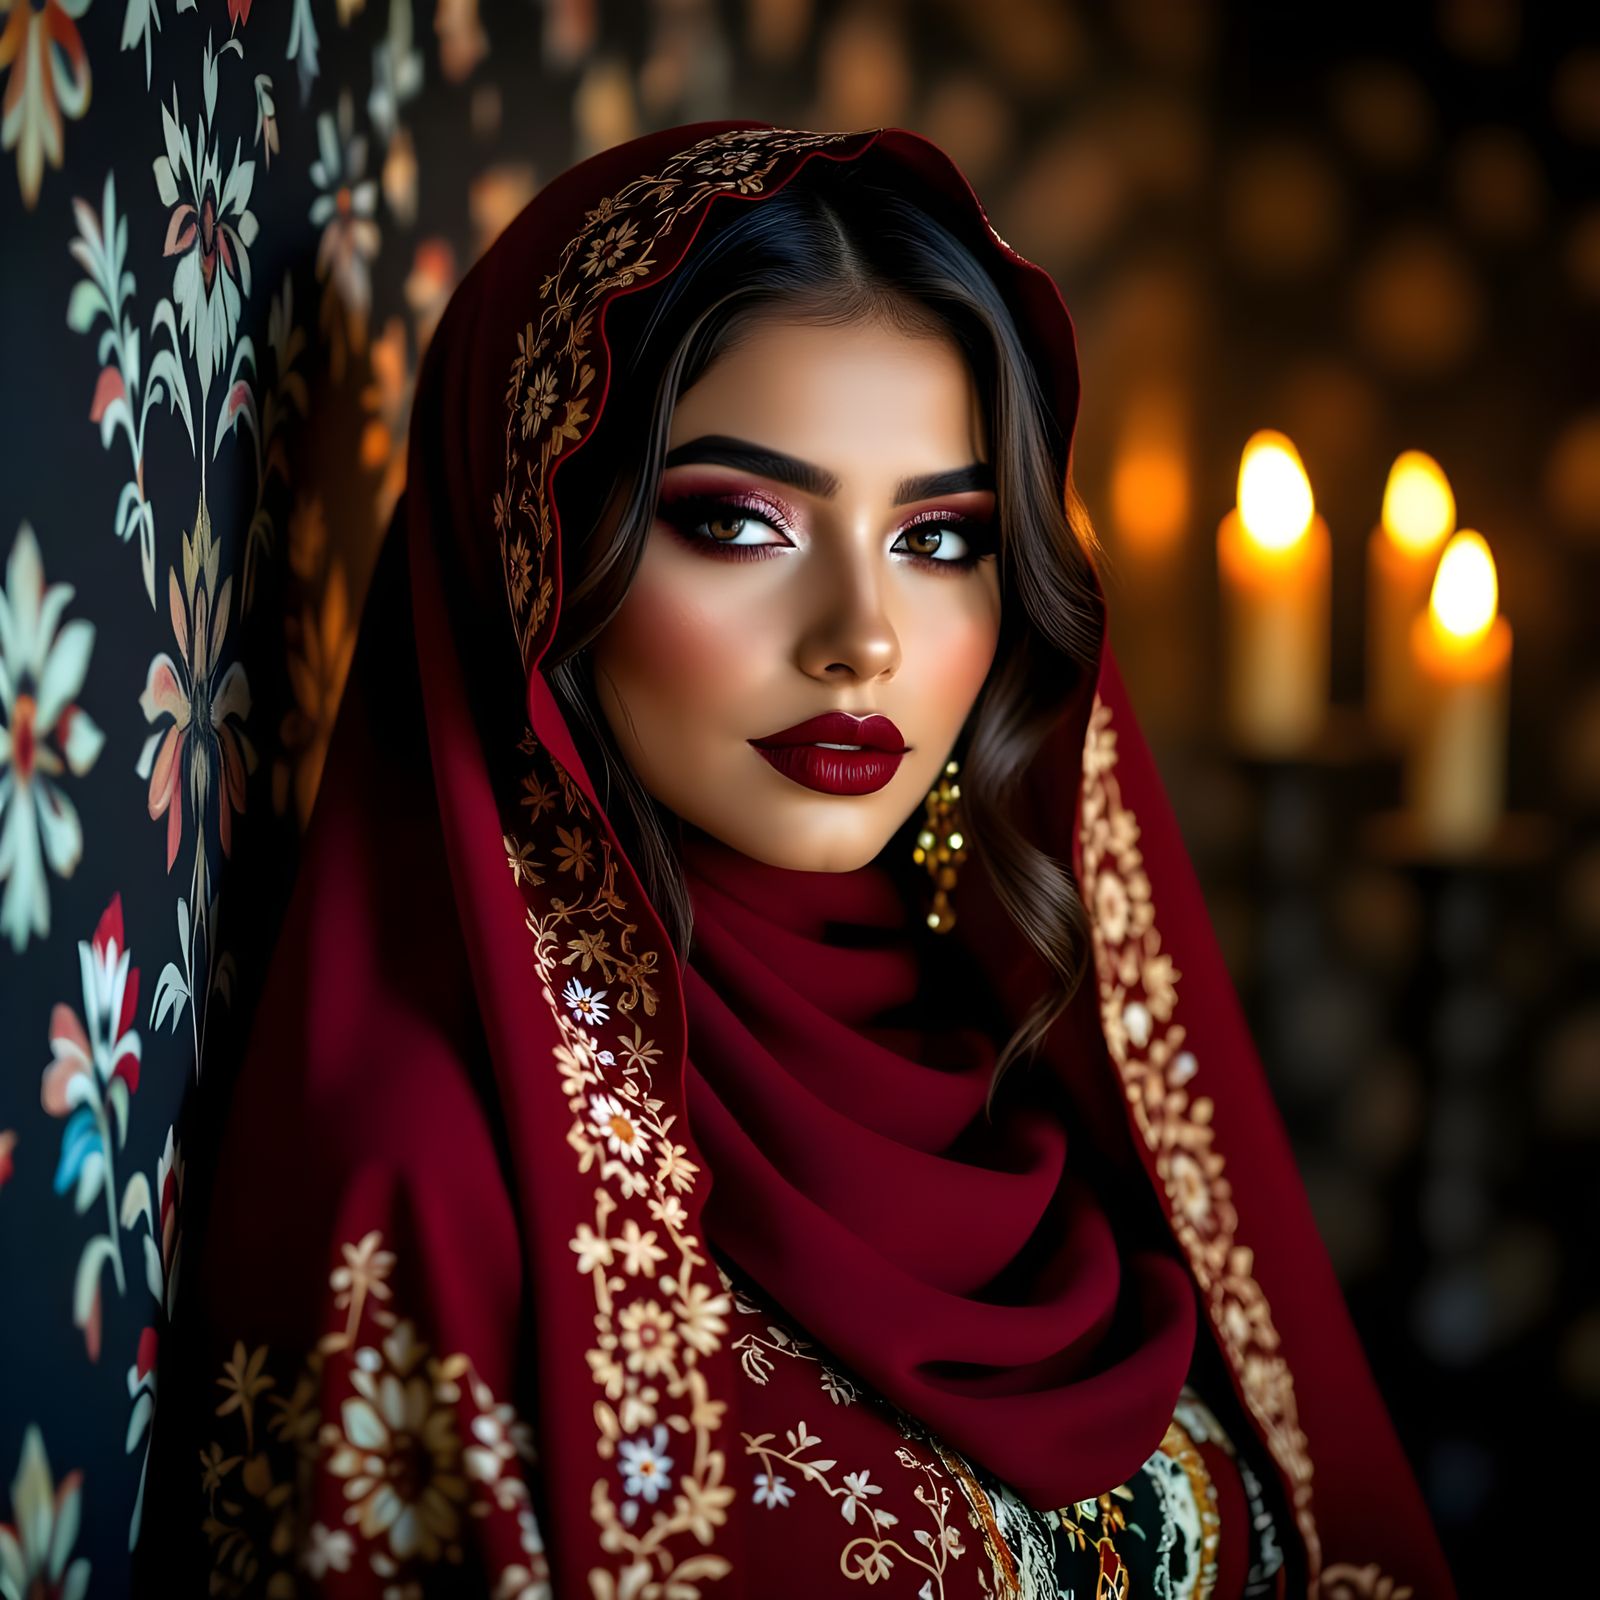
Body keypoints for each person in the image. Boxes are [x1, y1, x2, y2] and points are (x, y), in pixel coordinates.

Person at [142, 121, 1458, 1598]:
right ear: (534, 552)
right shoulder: (430, 1183)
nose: (863, 639)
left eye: (941, 538)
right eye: (740, 522)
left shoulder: (1025, 1031)